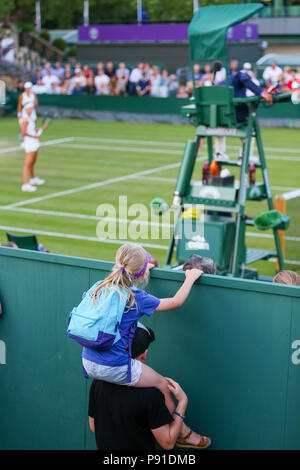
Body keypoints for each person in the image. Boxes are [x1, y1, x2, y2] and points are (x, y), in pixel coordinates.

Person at [82, 243, 209, 449]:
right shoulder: (136, 298)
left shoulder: (100, 285)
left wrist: (142, 269)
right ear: (140, 274)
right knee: (163, 385)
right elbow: (176, 301)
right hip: (113, 366)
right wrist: (191, 278)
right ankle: (181, 433)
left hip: (88, 362)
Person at [88, 323, 211, 450]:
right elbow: (167, 443)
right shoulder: (152, 395)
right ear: (143, 354)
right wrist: (182, 402)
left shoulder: (98, 383)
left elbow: (94, 427)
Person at [20, 103, 48, 192]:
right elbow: (23, 133)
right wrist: (34, 137)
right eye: (29, 109)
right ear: (26, 109)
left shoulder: (29, 119)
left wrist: (42, 128)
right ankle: (25, 184)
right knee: (27, 164)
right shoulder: (25, 120)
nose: (31, 110)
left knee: (32, 162)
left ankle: (33, 179)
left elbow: (32, 130)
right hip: (29, 143)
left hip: (34, 142)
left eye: (32, 109)